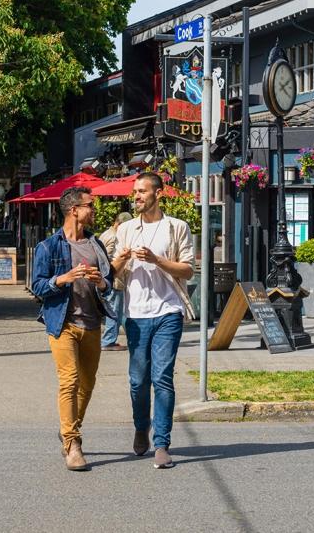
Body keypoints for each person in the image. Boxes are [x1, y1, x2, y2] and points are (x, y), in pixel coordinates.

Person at [112, 172, 194, 469]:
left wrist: (156, 260)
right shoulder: (127, 230)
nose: (136, 196)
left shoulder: (176, 228)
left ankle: (162, 443)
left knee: (162, 378)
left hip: (168, 311)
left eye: (142, 191)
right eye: (135, 191)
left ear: (158, 194)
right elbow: (114, 273)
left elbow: (188, 271)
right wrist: (122, 260)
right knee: (138, 381)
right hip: (135, 314)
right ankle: (139, 426)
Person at [32, 186, 116, 471]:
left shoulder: (96, 245)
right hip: (62, 322)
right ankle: (72, 444)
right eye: (90, 205)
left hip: (92, 322)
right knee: (69, 381)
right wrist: (64, 278)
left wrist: (100, 282)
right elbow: (37, 286)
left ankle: (68, 428)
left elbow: (109, 282)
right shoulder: (48, 246)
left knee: (88, 384)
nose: (94, 209)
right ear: (74, 210)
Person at [99, 211, 133, 351]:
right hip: (114, 280)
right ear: (119, 224)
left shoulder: (107, 234)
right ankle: (108, 341)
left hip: (112, 280)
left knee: (119, 312)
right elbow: (106, 259)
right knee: (114, 312)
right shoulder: (114, 237)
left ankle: (131, 337)